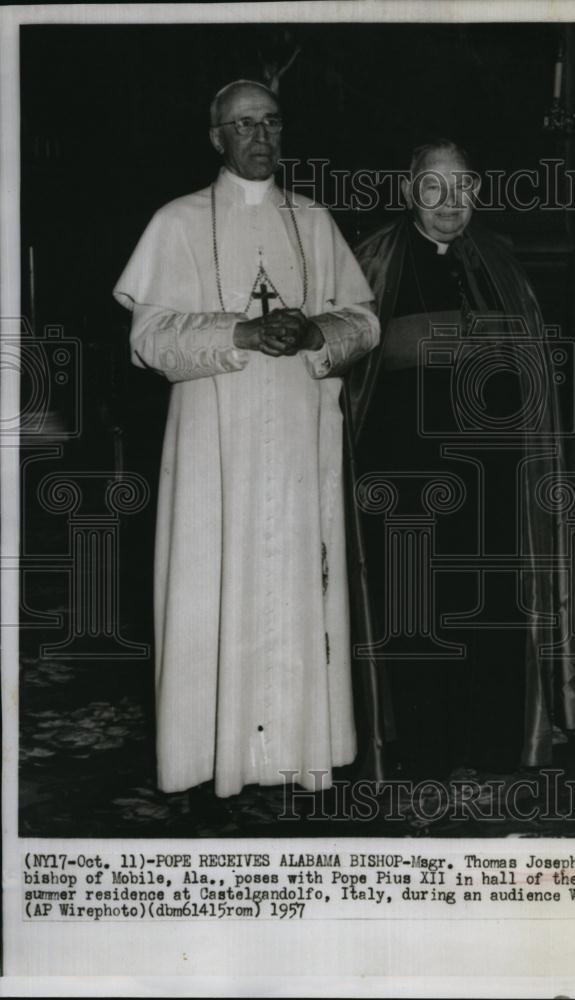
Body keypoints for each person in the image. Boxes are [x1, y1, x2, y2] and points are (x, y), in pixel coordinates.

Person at [113, 80, 379, 798]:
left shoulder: (314, 221)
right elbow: (150, 341)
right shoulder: (176, 222)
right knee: (213, 586)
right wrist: (241, 332)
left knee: (296, 584)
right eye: (242, 126)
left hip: (299, 437)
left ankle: (297, 752)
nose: (259, 137)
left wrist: (317, 329)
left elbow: (363, 319)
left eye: (270, 123)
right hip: (212, 444)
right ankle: (211, 756)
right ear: (216, 138)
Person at [348, 139, 575, 779]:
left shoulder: (503, 263)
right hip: (404, 475)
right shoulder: (369, 261)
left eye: (462, 188)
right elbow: (351, 379)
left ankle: (491, 742)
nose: (450, 203)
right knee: (415, 603)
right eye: (434, 187)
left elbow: (534, 370)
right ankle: (421, 750)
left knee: (489, 601)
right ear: (409, 191)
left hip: (494, 474)